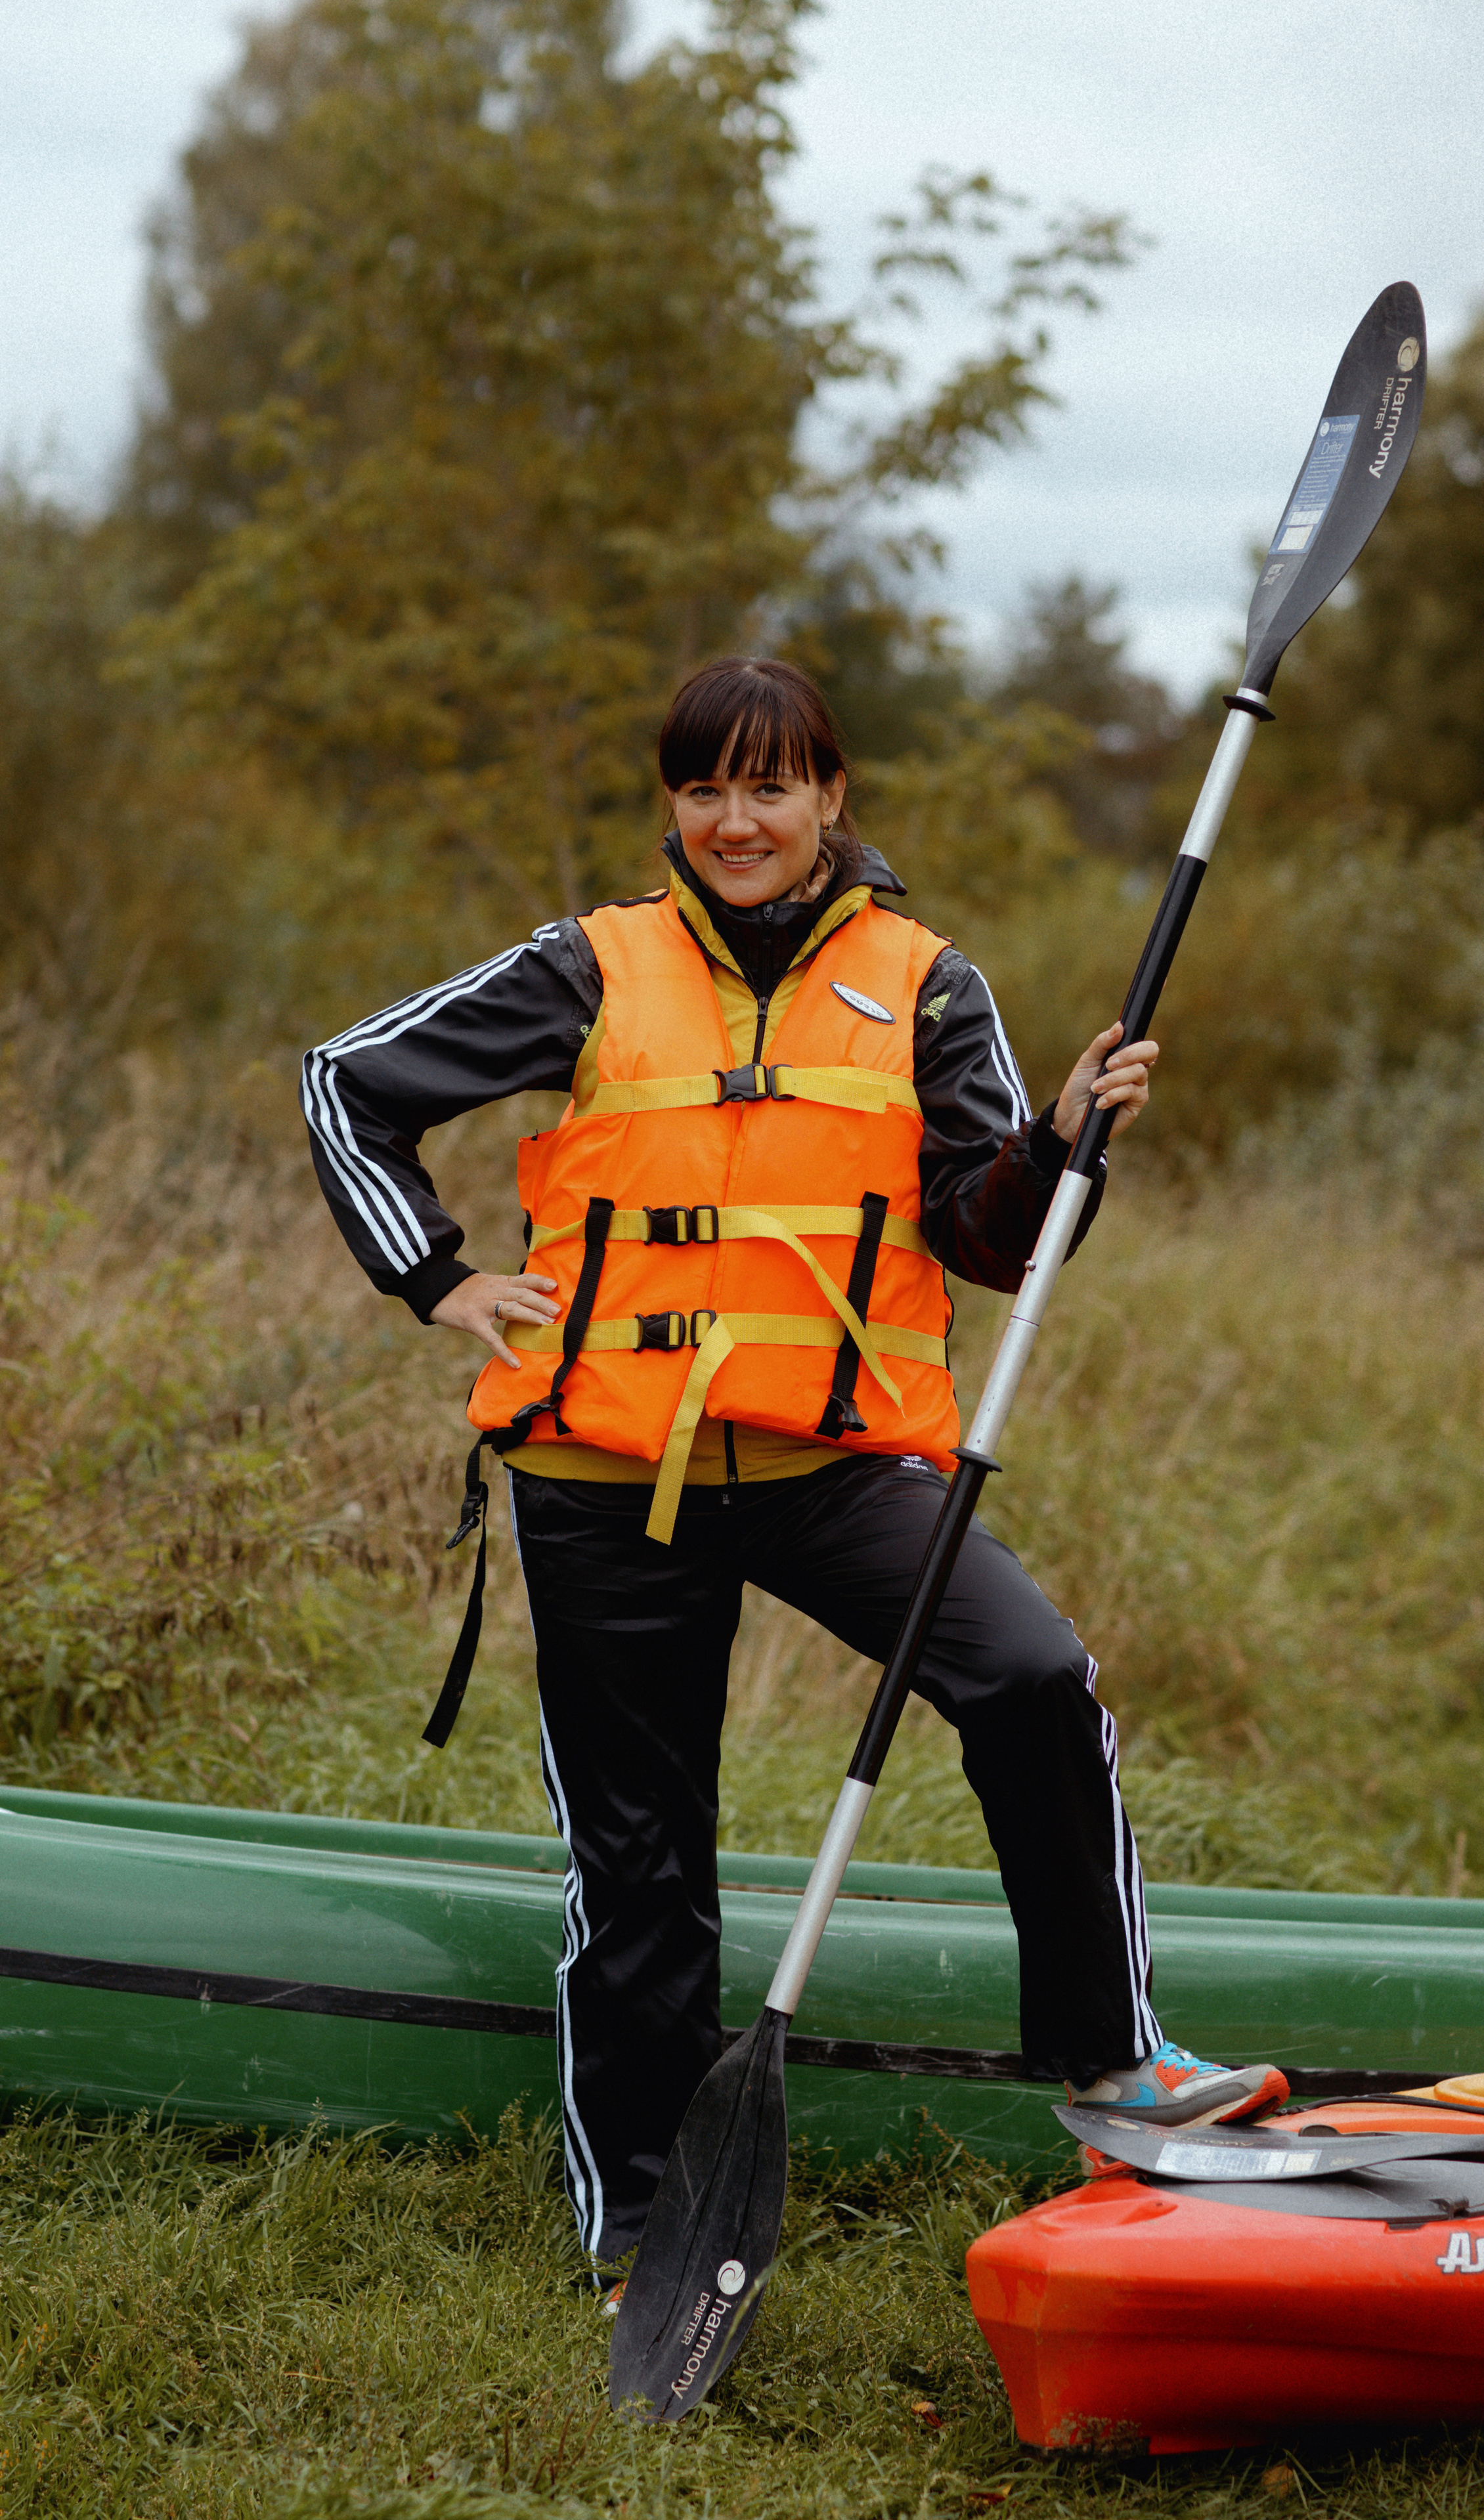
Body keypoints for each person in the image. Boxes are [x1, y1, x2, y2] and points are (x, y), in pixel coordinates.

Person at [301, 655, 1286, 2266]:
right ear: (673, 803)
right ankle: (636, 2198)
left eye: (768, 786)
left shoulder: (925, 982)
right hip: (606, 1476)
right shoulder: (588, 965)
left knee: (1031, 1675)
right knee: (639, 1854)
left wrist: (1053, 1142)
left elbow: (992, 1236)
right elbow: (346, 1081)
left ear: (832, 795)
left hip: (837, 1471)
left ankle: (1113, 2061)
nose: (734, 819)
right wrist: (437, 1273)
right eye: (703, 788)